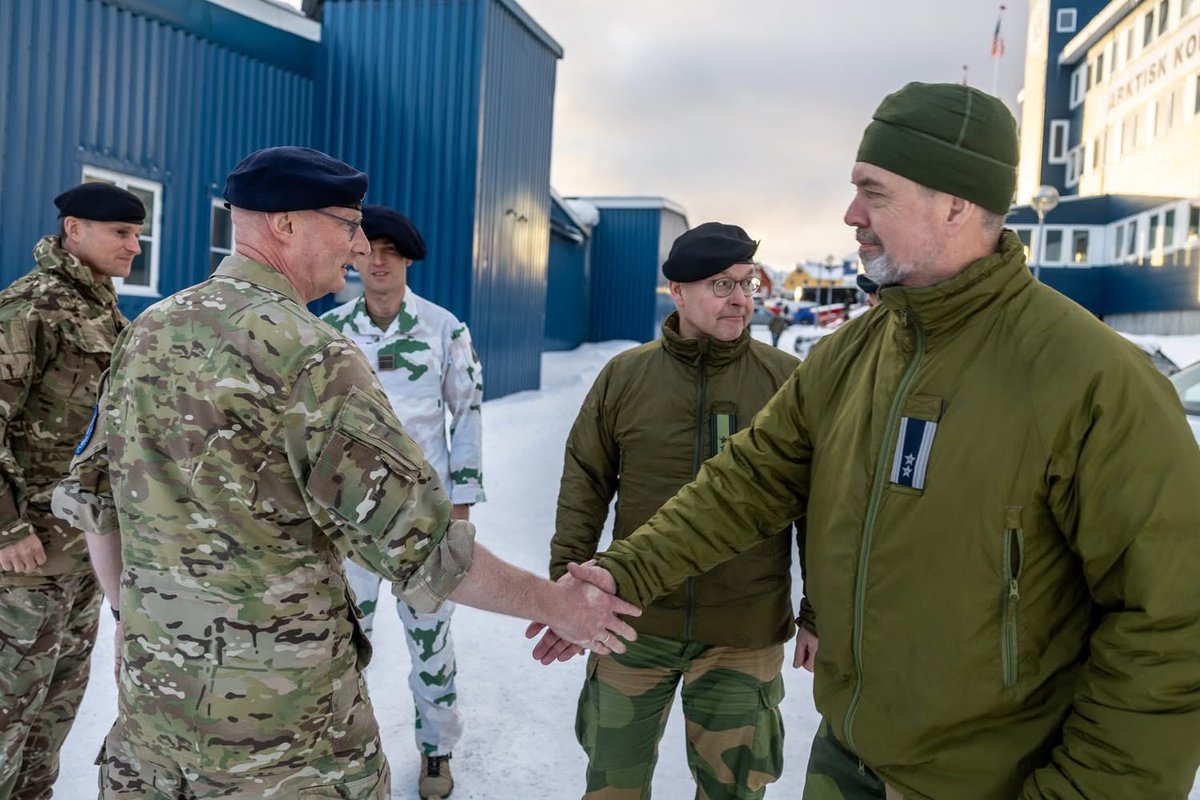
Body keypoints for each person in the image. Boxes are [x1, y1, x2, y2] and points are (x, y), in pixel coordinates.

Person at [536, 83, 1200, 799]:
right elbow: (744, 485)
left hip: (990, 781)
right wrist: (623, 573)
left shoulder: (1094, 382)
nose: (851, 214)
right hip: (846, 758)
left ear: (956, 203)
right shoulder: (849, 357)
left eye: (873, 193)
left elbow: (1170, 631)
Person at [51, 146, 639, 800]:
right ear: (286, 225)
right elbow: (427, 551)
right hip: (282, 747)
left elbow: (94, 501)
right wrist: (559, 605)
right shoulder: (311, 355)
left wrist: (128, 616)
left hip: (154, 726)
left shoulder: (147, 330)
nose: (360, 246)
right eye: (349, 224)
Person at [540, 222, 812, 799]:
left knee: (733, 791)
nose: (740, 299)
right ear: (678, 292)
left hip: (743, 629)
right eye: (721, 284)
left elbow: (815, 504)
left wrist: (819, 611)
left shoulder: (786, 382)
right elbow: (585, 482)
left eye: (747, 282)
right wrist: (567, 589)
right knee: (612, 786)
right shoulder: (626, 376)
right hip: (633, 623)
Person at [321, 204, 484, 799]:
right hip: (350, 518)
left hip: (423, 518)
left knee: (430, 641)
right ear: (354, 256)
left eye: (392, 251)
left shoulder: (444, 329)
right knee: (343, 639)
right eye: (369, 250)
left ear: (408, 260)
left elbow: (467, 415)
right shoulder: (330, 330)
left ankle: (436, 751)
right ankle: (343, 750)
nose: (379, 261)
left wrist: (461, 510)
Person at [0, 182, 144, 798]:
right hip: (24, 561)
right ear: (74, 230)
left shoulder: (106, 312)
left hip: (82, 554)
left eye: (138, 235)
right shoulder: (29, 307)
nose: (134, 246)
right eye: (121, 233)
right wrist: (6, 529)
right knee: (7, 718)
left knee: (51, 720)